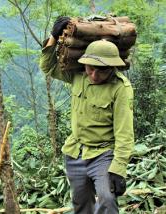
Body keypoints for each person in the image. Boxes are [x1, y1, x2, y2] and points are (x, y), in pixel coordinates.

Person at [40, 17, 134, 214]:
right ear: (84, 64)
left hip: (103, 155)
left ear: (112, 68)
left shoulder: (120, 88)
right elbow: (48, 67)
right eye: (90, 69)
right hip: (75, 152)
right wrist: (53, 36)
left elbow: (125, 134)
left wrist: (119, 169)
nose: (94, 75)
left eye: (101, 71)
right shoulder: (77, 76)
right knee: (81, 204)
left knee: (107, 201)